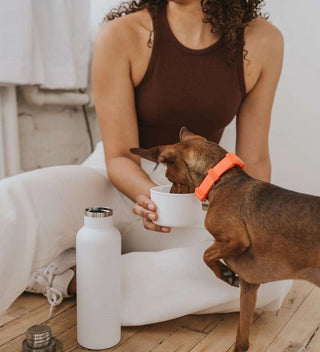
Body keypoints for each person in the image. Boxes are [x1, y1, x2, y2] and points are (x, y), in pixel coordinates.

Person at [24, 0, 292, 323]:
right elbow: (120, 156)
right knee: (16, 198)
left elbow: (255, 159)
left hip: (192, 196)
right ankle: (99, 271)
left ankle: (71, 276)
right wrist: (154, 198)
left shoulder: (262, 42)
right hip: (116, 178)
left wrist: (255, 228)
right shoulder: (119, 35)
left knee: (276, 276)